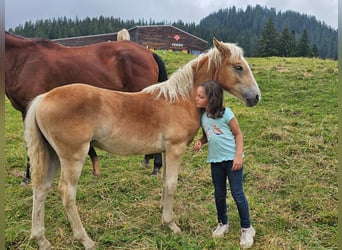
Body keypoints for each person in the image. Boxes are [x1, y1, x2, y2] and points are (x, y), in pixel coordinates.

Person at [193, 80, 255, 248]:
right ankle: (222, 223)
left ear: (211, 98)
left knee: (237, 193)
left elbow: (238, 134)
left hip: (232, 161)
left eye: (200, 96)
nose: (196, 99)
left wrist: (238, 156)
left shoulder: (227, 114)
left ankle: (247, 228)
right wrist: (200, 141)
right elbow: (208, 134)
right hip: (215, 161)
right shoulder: (203, 117)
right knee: (219, 194)